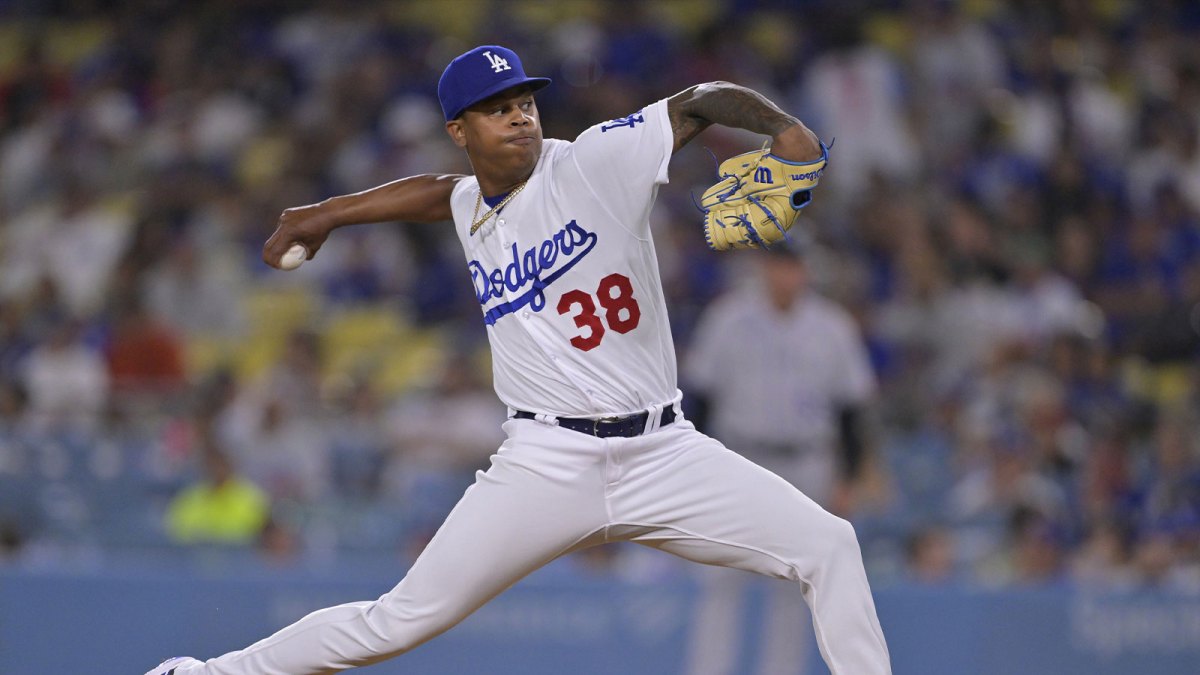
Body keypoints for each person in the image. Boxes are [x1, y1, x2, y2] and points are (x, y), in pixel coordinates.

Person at [146, 44, 891, 675]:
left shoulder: (597, 160)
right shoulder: (473, 204)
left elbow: (701, 99)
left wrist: (786, 131)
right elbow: (440, 193)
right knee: (397, 621)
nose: (520, 114)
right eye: (497, 106)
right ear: (458, 128)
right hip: (546, 459)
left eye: (525, 100)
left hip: (664, 451)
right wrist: (328, 212)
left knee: (828, 544)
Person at [683, 242, 878, 675]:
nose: (785, 275)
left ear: (805, 271)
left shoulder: (832, 327)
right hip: (738, 456)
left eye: (793, 266)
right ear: (763, 269)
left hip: (808, 461)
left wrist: (847, 478)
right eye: (777, 265)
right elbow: (700, 400)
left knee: (796, 583)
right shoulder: (728, 318)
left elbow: (851, 411)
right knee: (719, 575)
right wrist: (693, 469)